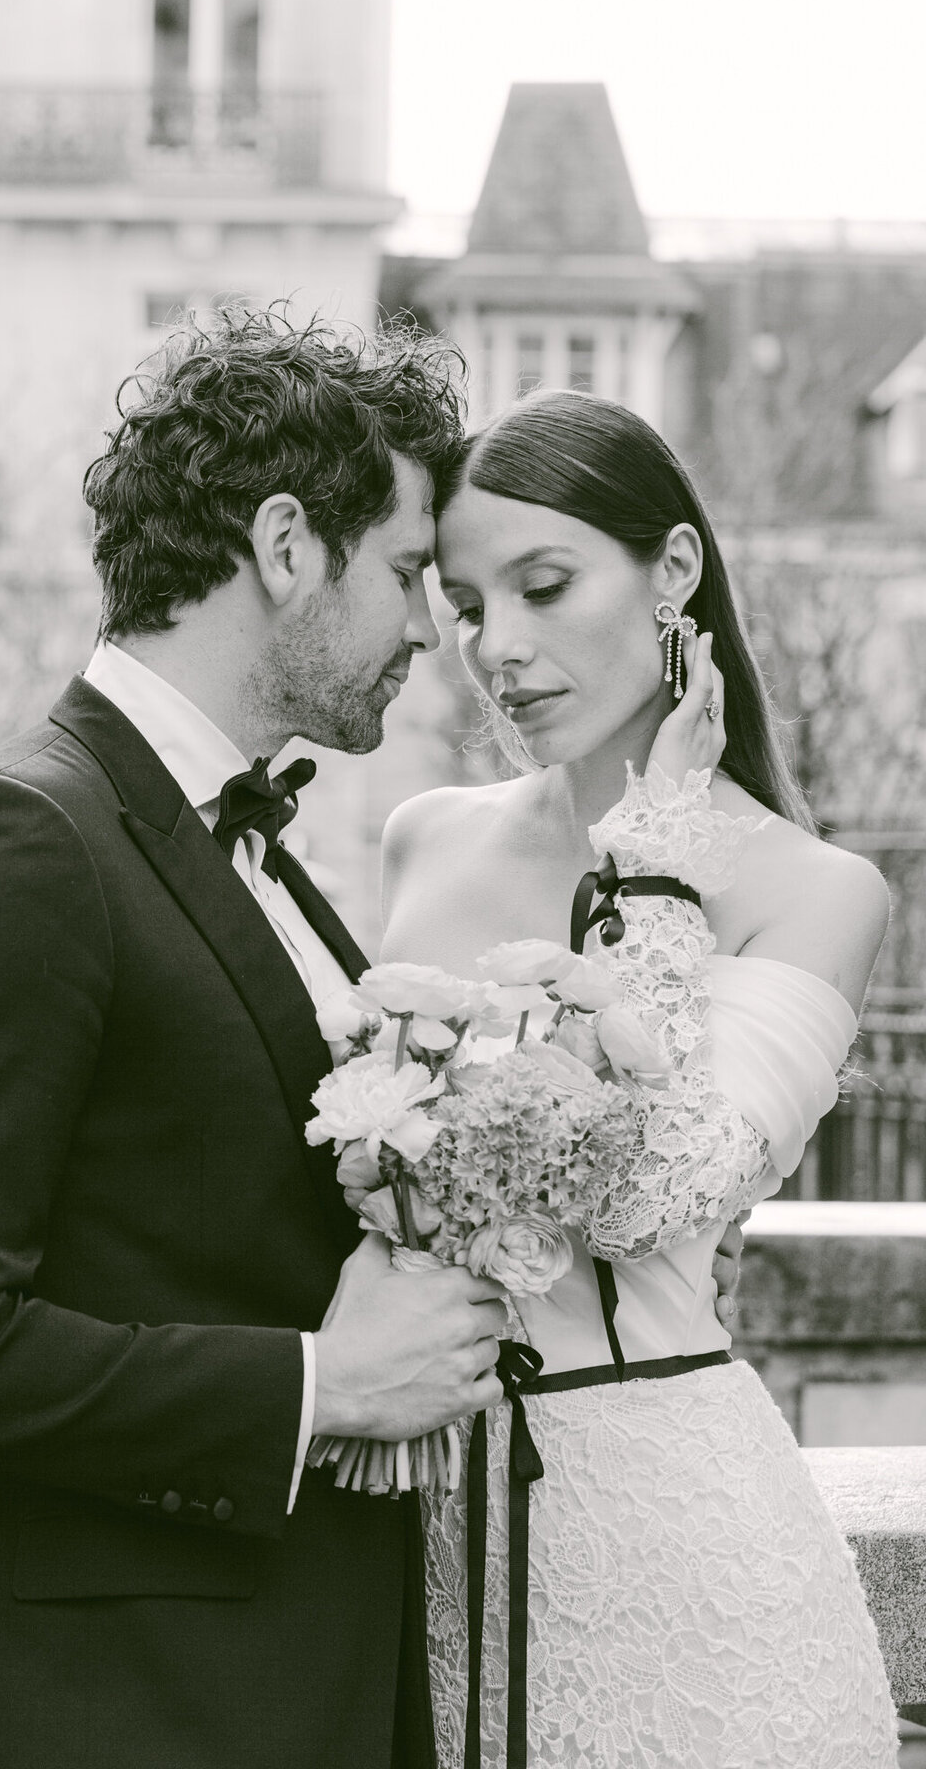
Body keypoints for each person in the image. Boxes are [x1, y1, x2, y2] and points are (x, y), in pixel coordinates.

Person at [0, 310, 513, 1769]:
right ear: (283, 545)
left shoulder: (251, 843)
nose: (428, 631)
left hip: (292, 1695)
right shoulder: (15, 841)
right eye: (404, 573)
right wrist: (326, 1387)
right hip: (117, 1715)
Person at [381, 389, 899, 1768]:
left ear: (674, 569)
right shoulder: (423, 839)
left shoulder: (818, 890)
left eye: (546, 586)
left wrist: (656, 862)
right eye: (467, 603)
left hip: (687, 1569)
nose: (503, 647)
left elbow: (651, 1195)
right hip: (412, 1555)